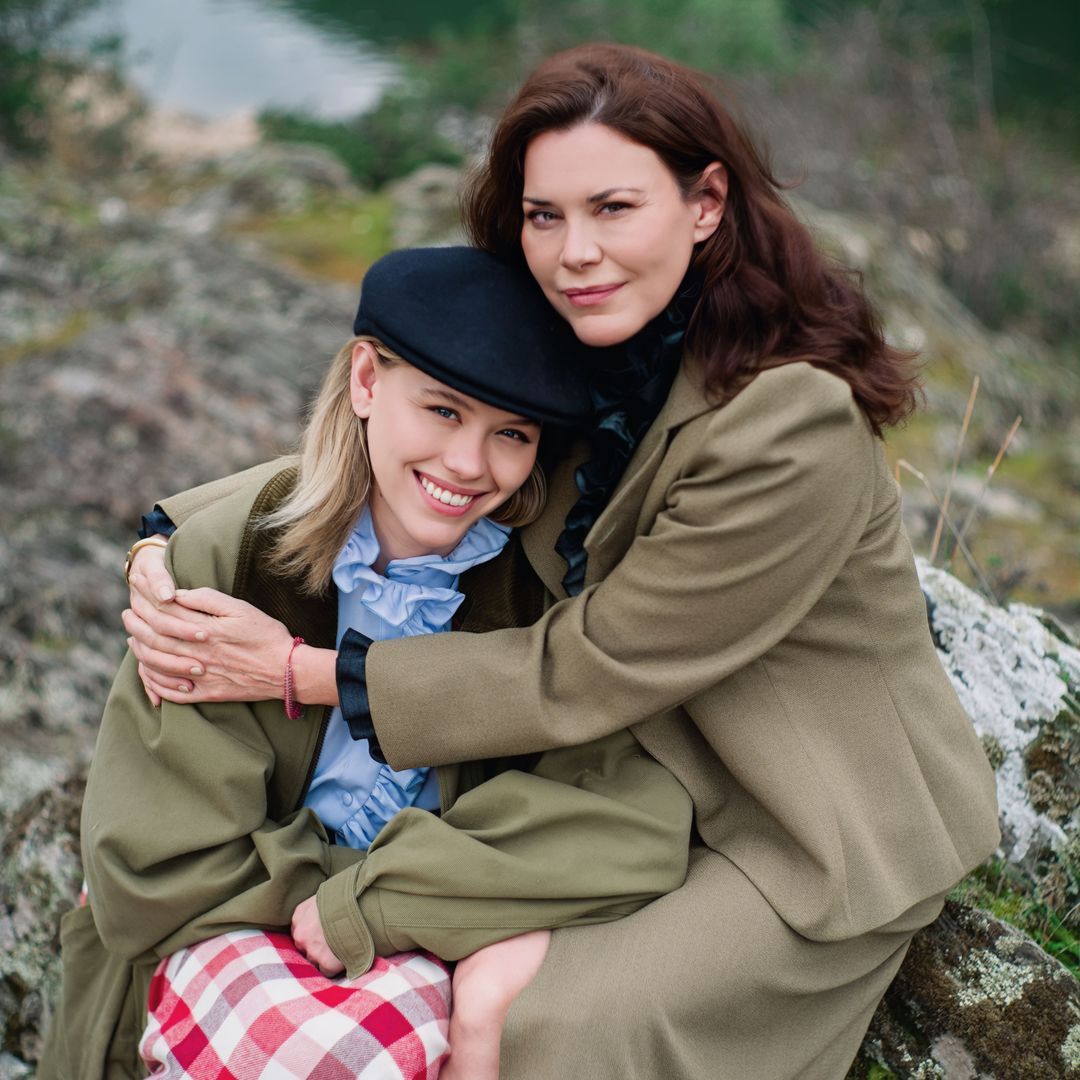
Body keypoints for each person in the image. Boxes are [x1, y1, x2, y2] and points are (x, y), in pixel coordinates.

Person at [123, 43, 1001, 1080]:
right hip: (628, 784)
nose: (574, 250)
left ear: (706, 202)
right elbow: (411, 435)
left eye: (614, 208)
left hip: (799, 821)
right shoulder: (596, 346)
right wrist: (173, 535)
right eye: (545, 216)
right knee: (467, 989)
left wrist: (299, 675)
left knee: (541, 1020)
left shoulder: (787, 421)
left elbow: (597, 662)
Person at [38, 246, 694, 1080]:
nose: (468, 464)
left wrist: (382, 900)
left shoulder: (543, 600)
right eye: (444, 411)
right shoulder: (224, 568)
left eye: (513, 434)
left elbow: (627, 822)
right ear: (366, 381)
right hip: (213, 933)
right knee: (319, 1057)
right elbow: (158, 868)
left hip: (411, 934)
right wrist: (409, 886)